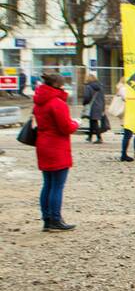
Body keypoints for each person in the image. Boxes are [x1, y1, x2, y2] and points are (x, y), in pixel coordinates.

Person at [33, 73, 79, 231]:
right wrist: (75, 124)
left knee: (47, 184)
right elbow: (65, 127)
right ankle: (56, 219)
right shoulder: (57, 103)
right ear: (59, 85)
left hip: (43, 144)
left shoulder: (39, 102)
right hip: (57, 146)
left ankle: (47, 219)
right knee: (57, 186)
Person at [113, 77, 135, 162]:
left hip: (133, 113)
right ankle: (124, 154)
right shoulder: (124, 89)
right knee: (128, 135)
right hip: (130, 113)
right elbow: (128, 99)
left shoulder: (124, 88)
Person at [82, 72, 106, 144]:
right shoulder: (100, 86)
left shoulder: (88, 87)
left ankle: (99, 138)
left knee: (94, 122)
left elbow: (87, 97)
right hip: (99, 105)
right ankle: (90, 137)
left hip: (92, 106)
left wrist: (84, 103)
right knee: (92, 121)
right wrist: (103, 108)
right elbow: (103, 98)